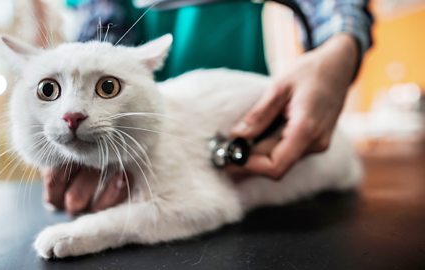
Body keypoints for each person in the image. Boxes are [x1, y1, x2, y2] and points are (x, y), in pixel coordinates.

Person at [42, 0, 373, 214]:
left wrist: (339, 49)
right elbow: (103, 29)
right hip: (151, 127)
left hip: (249, 114)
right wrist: (97, 116)